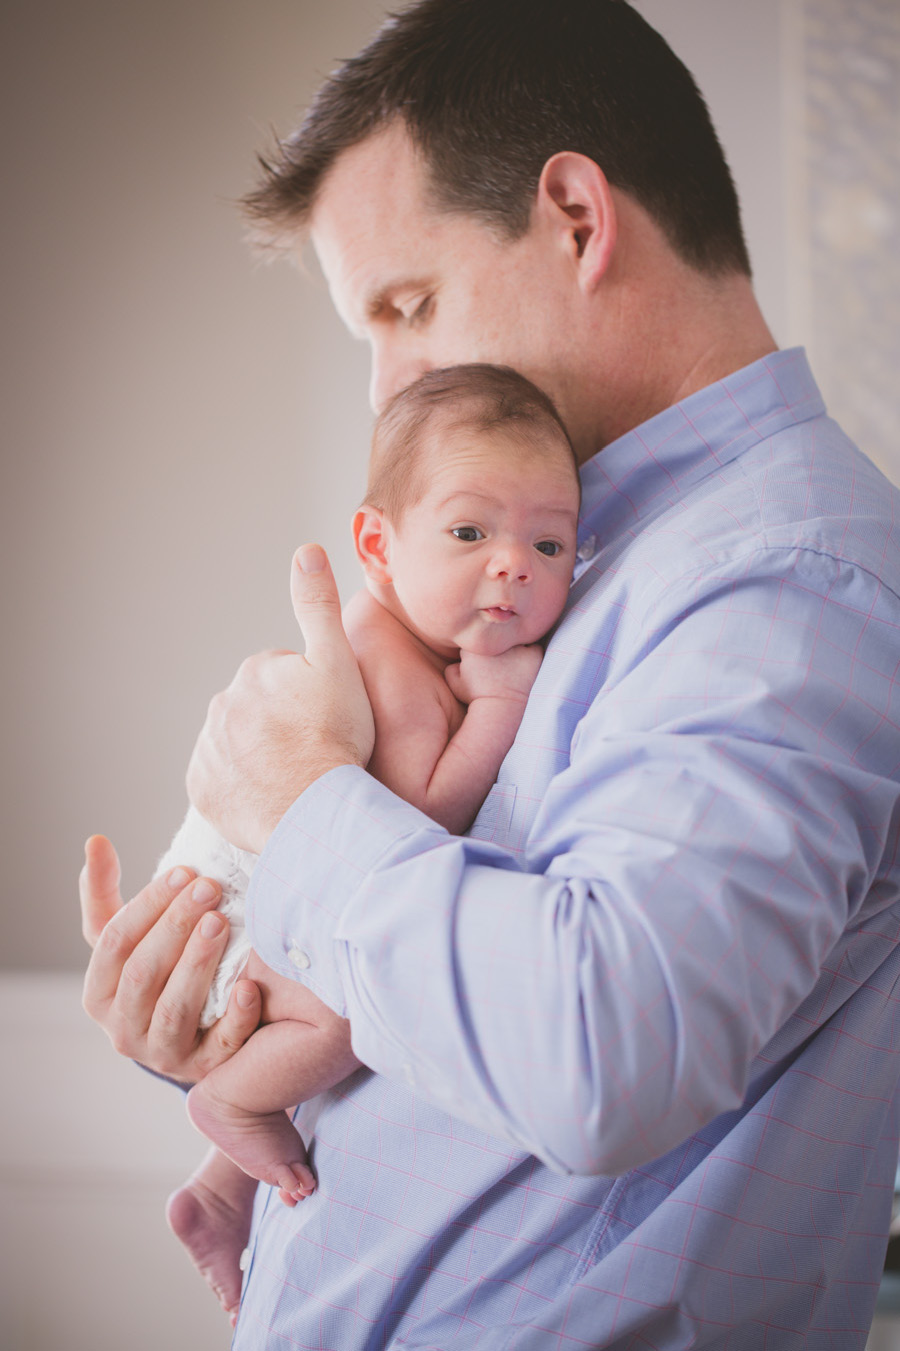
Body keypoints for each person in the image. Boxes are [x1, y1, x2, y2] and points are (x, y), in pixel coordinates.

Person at [80, 0, 900, 1345]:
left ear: (577, 216)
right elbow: (436, 1020)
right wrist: (219, 1012)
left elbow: (603, 1050)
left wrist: (297, 802)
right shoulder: (557, 557)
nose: (388, 387)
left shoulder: (787, 578)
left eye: (408, 305)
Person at [155, 361, 580, 1321]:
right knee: (346, 1018)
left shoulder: (418, 640)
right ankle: (229, 1106)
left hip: (259, 909)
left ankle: (218, 1194)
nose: (512, 562)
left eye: (549, 543)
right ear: (376, 545)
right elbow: (414, 820)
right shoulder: (383, 658)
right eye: (470, 532)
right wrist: (501, 709)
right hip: (230, 922)